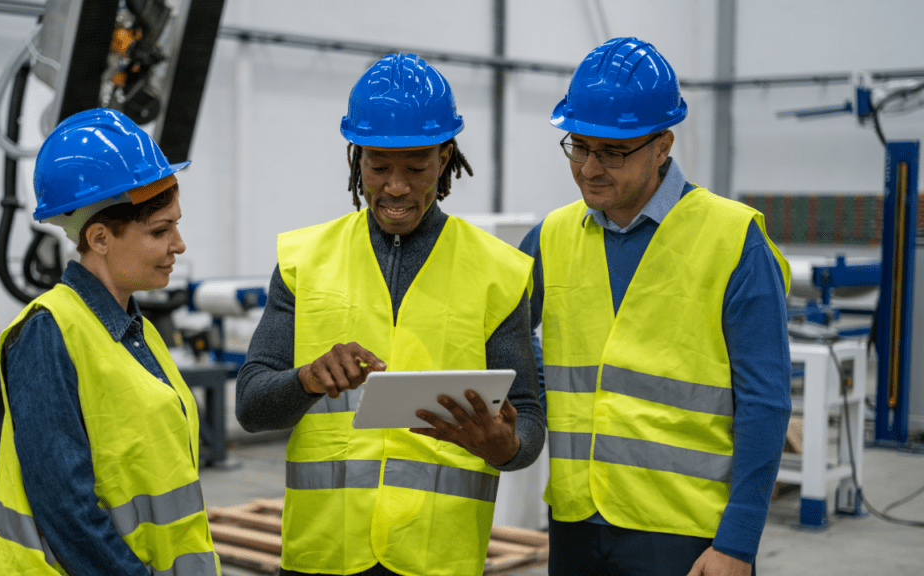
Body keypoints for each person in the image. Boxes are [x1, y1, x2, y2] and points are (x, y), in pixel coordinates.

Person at [236, 52, 545, 576]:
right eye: (378, 167)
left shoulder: (499, 273)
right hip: (323, 555)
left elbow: (528, 421)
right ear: (356, 158)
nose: (396, 187)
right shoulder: (304, 261)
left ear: (445, 158)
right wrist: (306, 380)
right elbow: (250, 405)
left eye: (416, 167)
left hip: (437, 557)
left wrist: (507, 446)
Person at [518, 38, 792, 576]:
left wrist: (738, 542)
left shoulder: (734, 239)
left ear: (662, 145)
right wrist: (541, 386)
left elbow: (766, 403)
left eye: (613, 152)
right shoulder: (551, 237)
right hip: (575, 518)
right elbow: (500, 334)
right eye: (579, 146)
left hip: (684, 533)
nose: (590, 169)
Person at [0, 108, 220, 575]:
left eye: (176, 224)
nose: (179, 244)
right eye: (161, 230)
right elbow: (65, 509)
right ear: (99, 238)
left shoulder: (139, 332)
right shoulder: (48, 332)